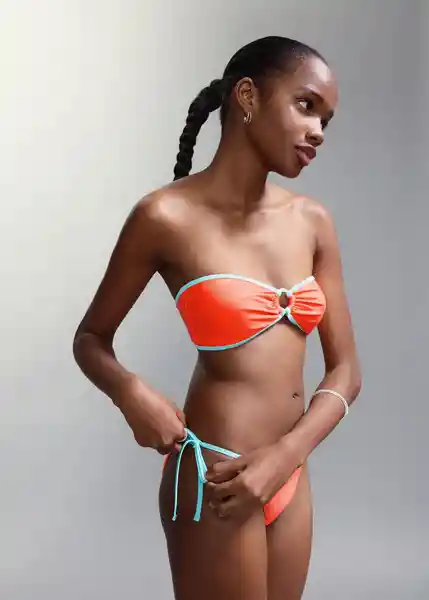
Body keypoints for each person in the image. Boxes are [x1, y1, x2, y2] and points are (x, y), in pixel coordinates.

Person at [73, 35, 361, 600]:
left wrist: (285, 457)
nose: (318, 132)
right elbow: (91, 338)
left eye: (325, 120)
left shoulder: (313, 223)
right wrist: (130, 393)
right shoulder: (164, 217)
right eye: (306, 106)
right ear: (247, 96)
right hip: (216, 476)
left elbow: (346, 370)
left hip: (289, 473)